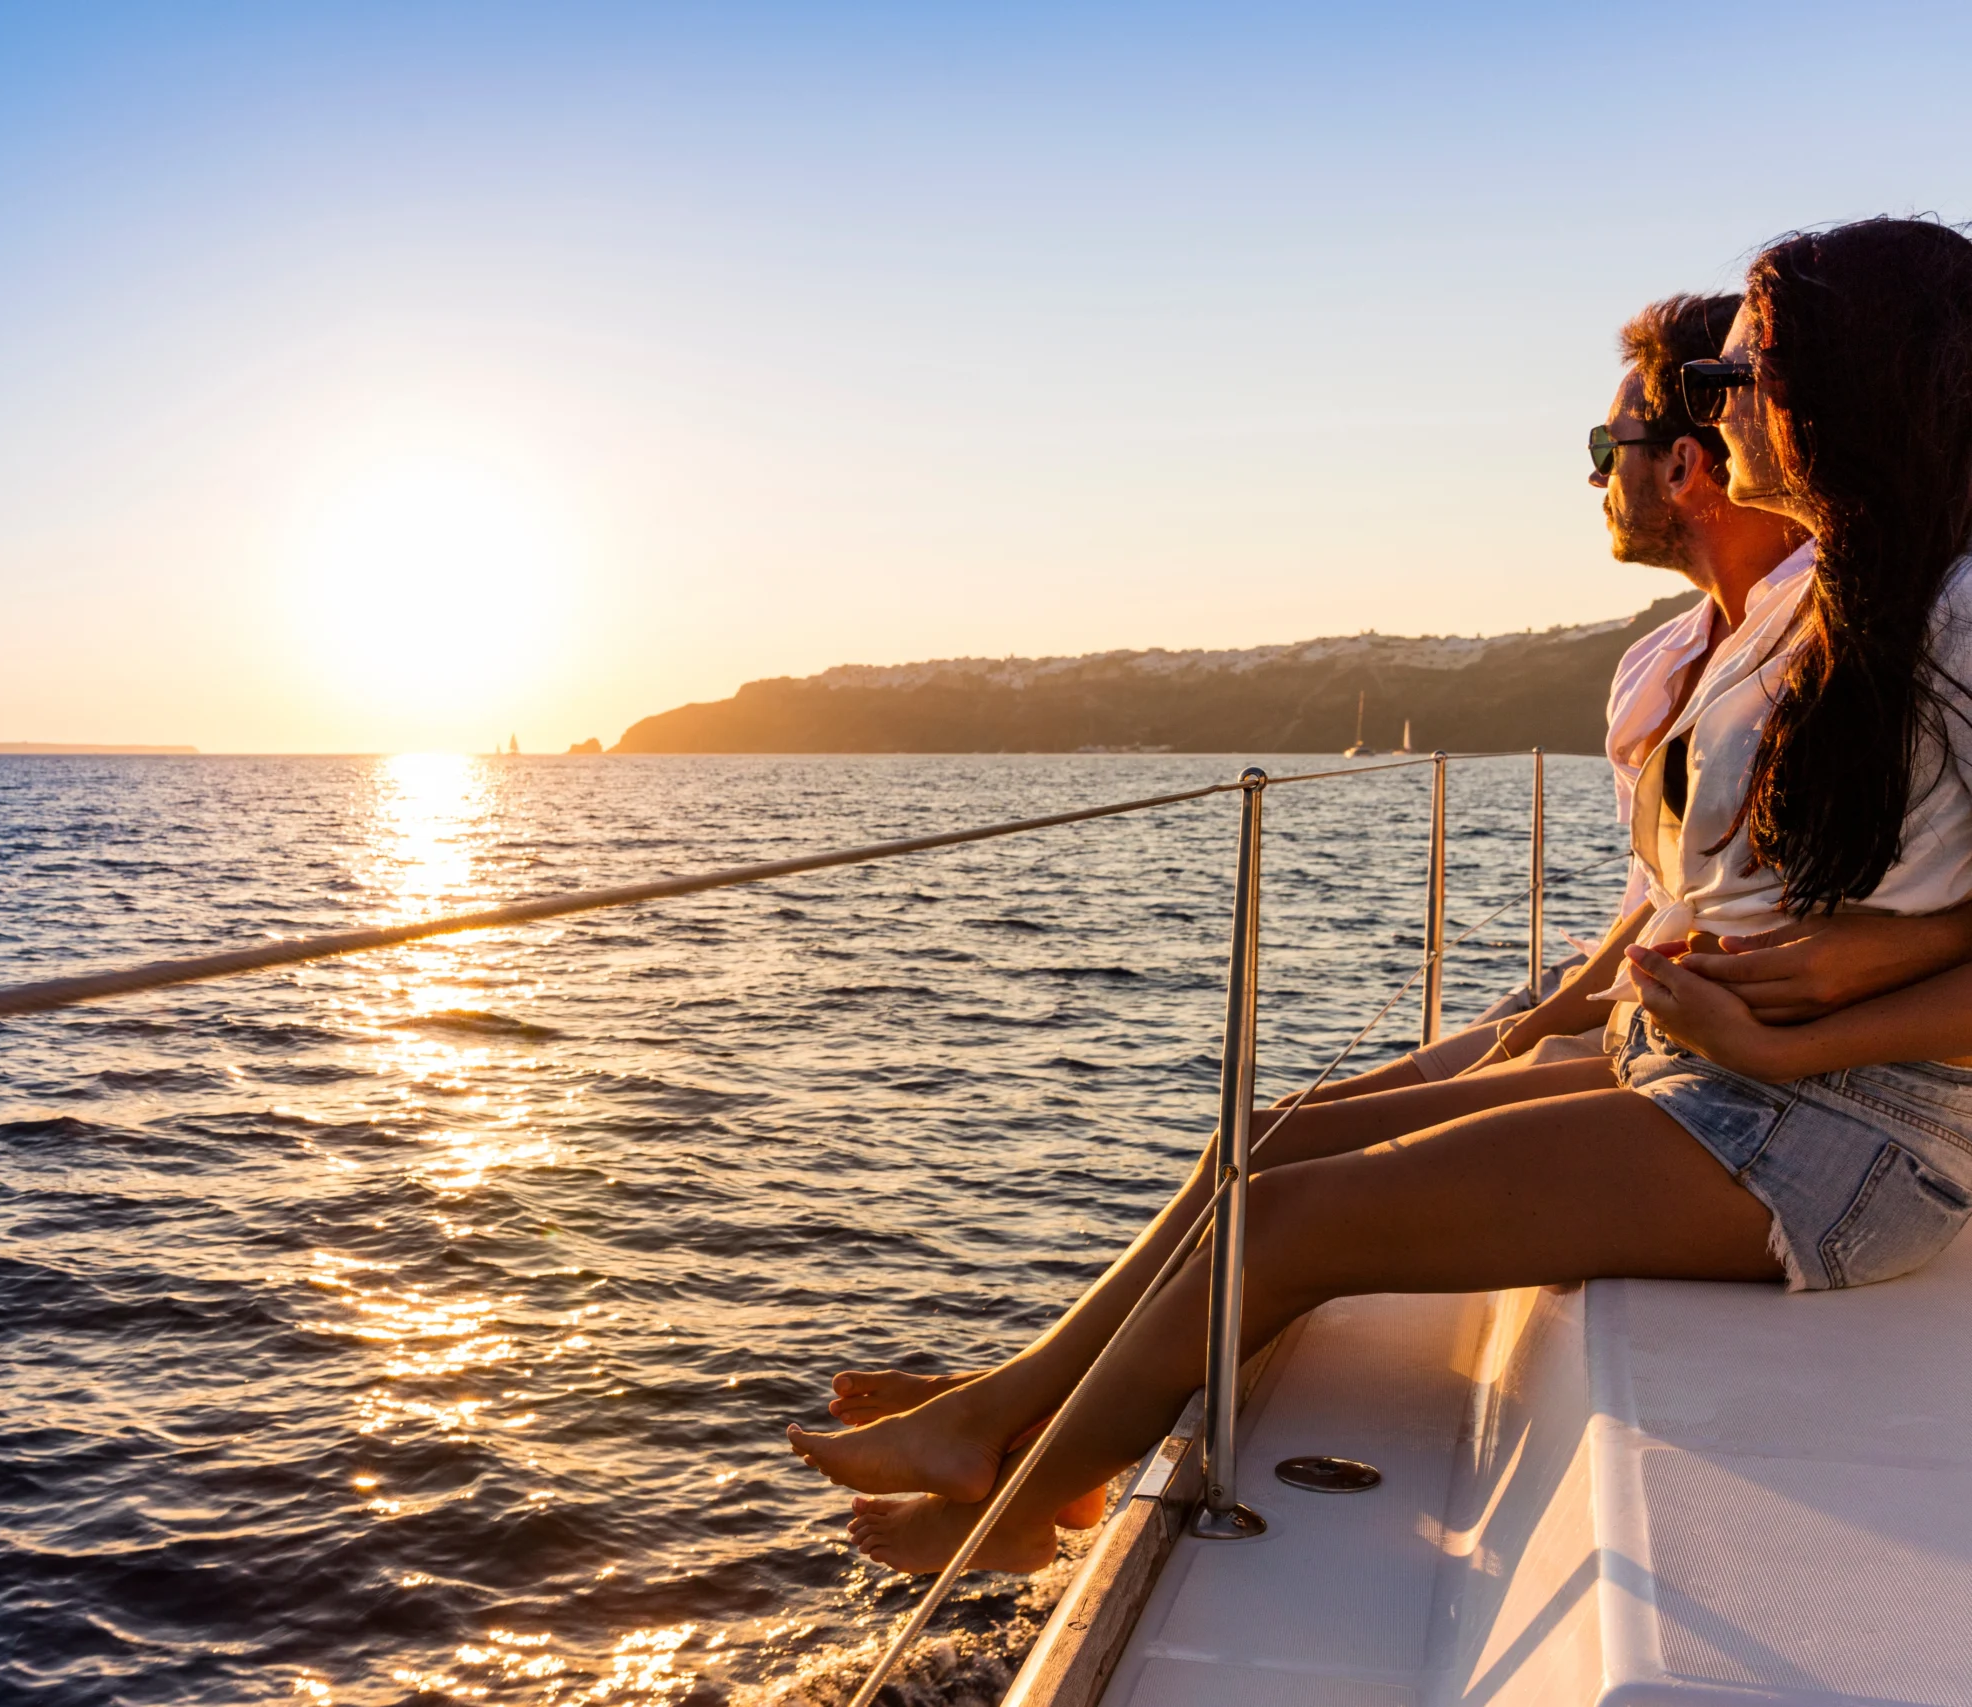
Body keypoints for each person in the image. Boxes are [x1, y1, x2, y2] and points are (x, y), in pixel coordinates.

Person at [790, 216, 1972, 1574]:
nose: (1718, 403)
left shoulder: (1948, 616)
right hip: (1730, 1080)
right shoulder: (1833, 621)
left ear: (1847, 386)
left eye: (1745, 373)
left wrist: (1799, 1025)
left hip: (1842, 1138)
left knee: (1288, 1220)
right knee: (1274, 1149)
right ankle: (1015, 1424)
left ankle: (1008, 1497)